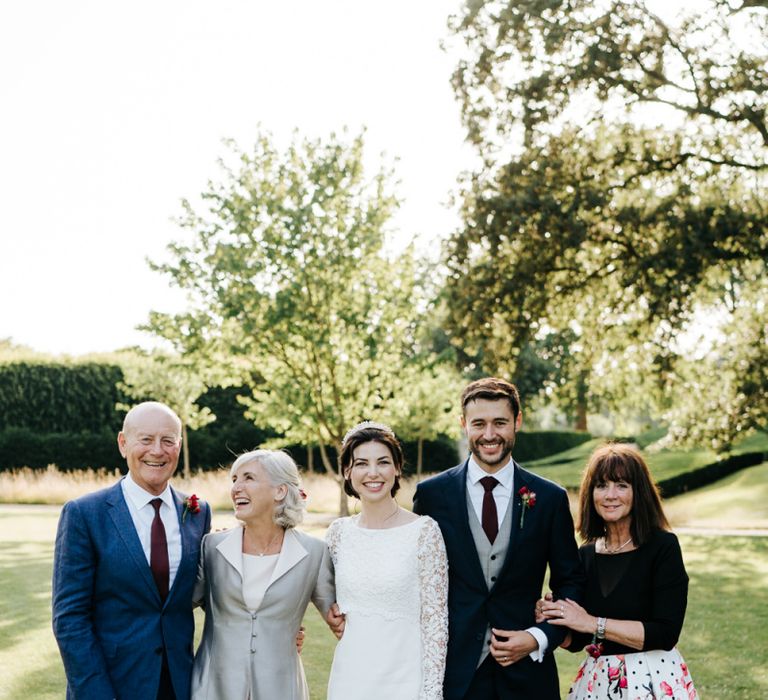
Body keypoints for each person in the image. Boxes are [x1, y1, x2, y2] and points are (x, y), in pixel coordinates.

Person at [413, 377, 585, 700]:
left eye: (500, 423)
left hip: (528, 679)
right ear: (463, 424)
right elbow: (414, 581)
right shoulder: (431, 496)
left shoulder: (549, 499)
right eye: (479, 423)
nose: (489, 435)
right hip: (456, 675)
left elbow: (571, 583)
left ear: (517, 422)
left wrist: (538, 637)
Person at [52, 401, 212, 700]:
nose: (157, 450)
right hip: (111, 685)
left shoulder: (198, 512)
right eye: (146, 439)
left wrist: (277, 625)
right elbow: (70, 618)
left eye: (168, 440)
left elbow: (210, 594)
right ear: (123, 444)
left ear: (179, 446)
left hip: (181, 685)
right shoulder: (85, 514)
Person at [536, 443, 699, 699]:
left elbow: (666, 633)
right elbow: (578, 640)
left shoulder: (663, 547)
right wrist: (556, 617)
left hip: (652, 680)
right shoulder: (586, 555)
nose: (610, 495)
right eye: (601, 485)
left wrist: (592, 622)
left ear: (639, 492)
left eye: (621, 485)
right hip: (599, 682)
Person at [191, 449, 335, 700]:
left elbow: (340, 619)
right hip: (214, 688)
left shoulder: (314, 552)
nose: (236, 487)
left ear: (280, 491)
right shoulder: (212, 547)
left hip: (282, 688)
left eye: (248, 477)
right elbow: (176, 606)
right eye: (234, 479)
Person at [325, 421, 448, 700]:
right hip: (350, 678)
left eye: (382, 462)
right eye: (361, 464)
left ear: (397, 468)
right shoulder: (338, 534)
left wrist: (431, 692)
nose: (373, 473)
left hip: (404, 679)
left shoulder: (424, 532)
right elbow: (316, 590)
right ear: (347, 471)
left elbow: (436, 623)